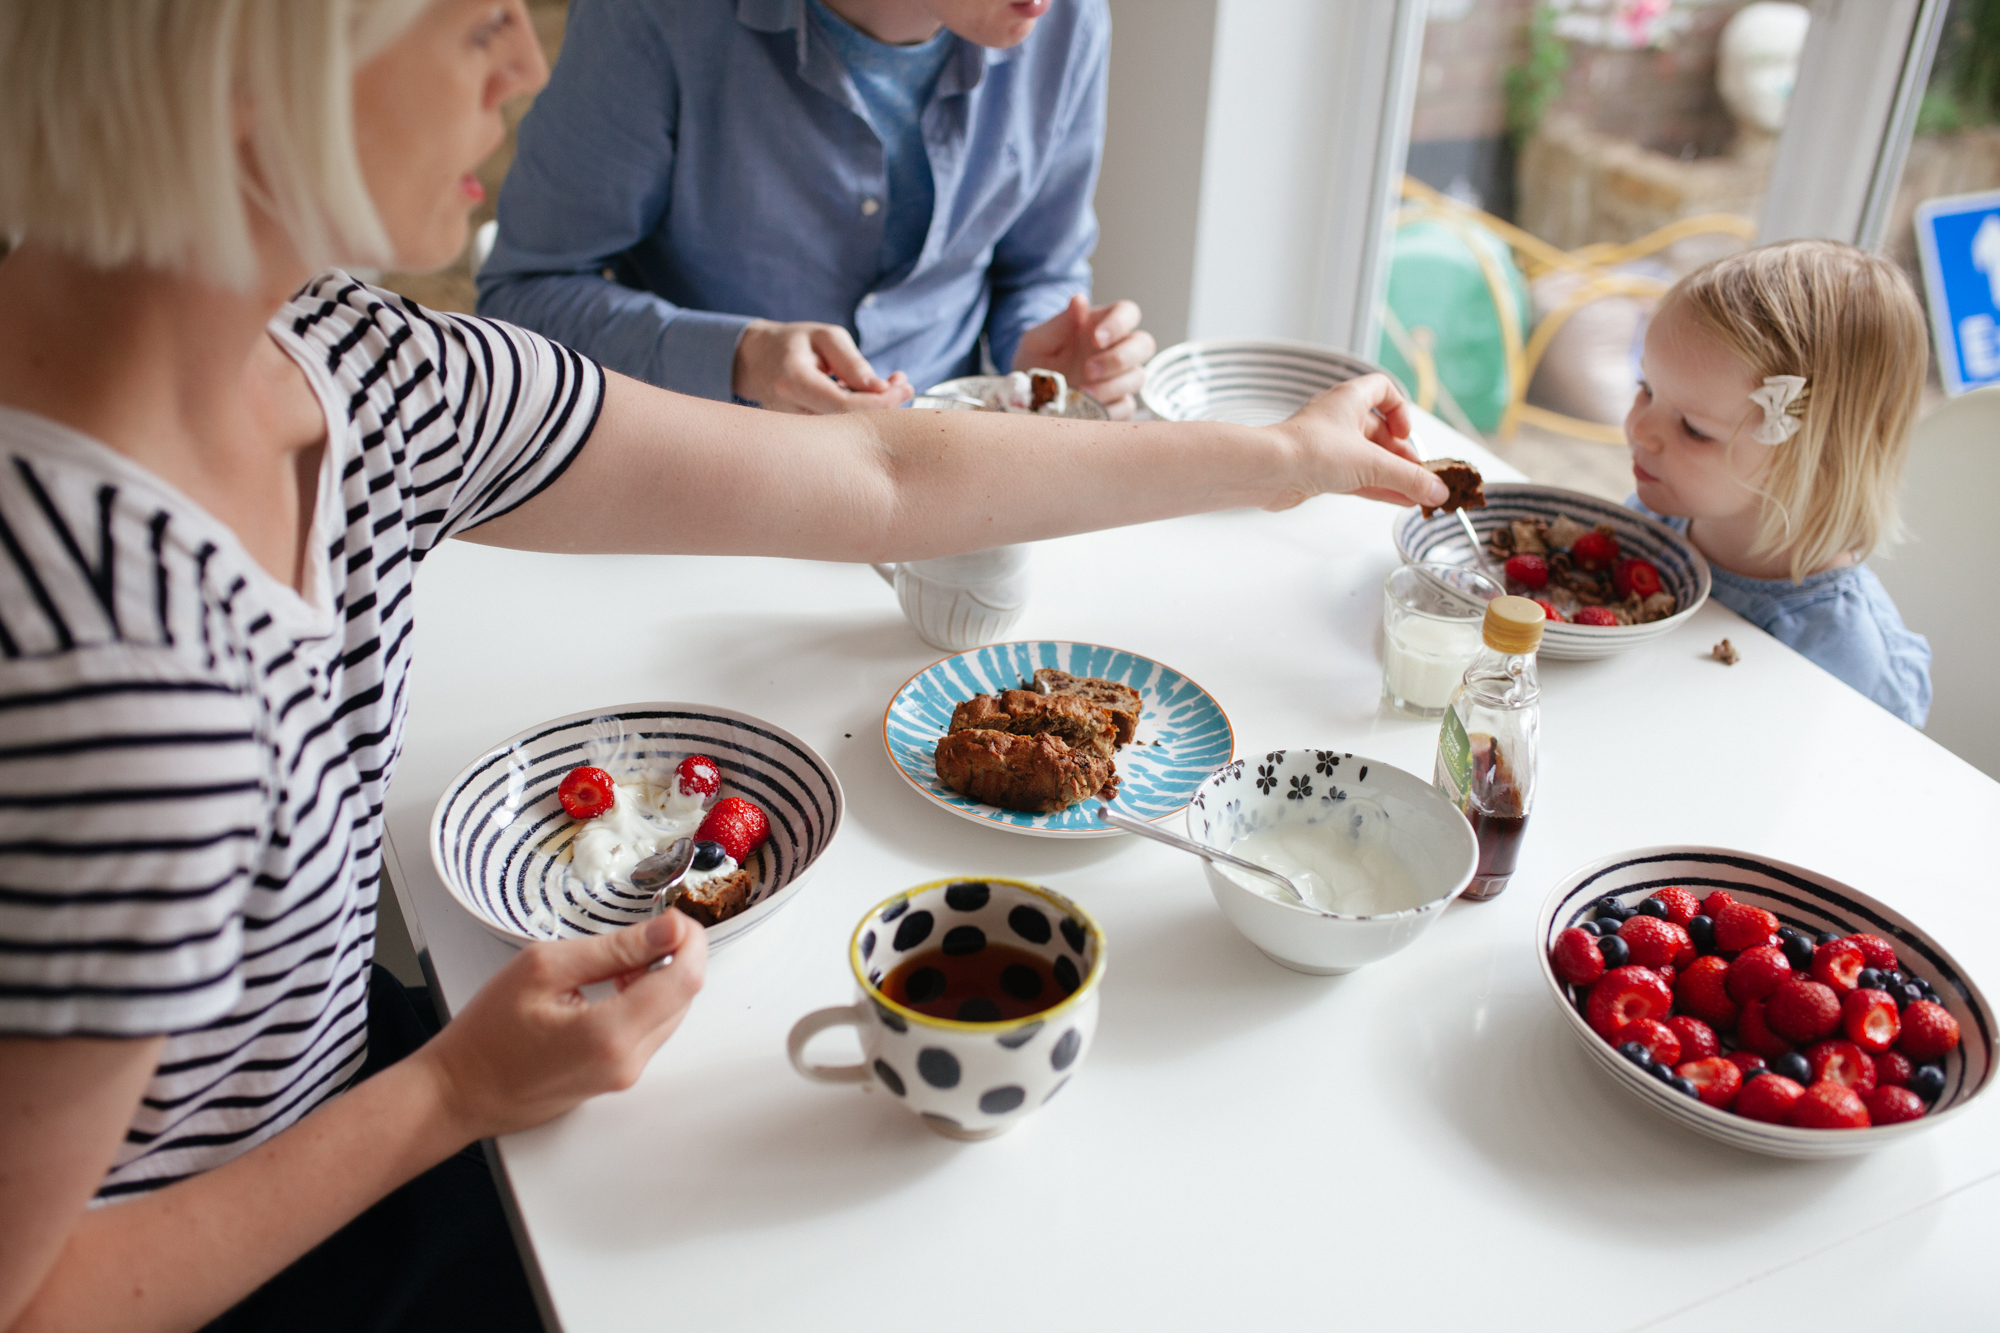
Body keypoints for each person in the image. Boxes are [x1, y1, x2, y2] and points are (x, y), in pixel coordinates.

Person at [0, 2, 1445, 1328]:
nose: (527, 64)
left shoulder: (364, 369)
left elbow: (880, 472)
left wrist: (1279, 458)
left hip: (324, 1096)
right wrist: (453, 1089)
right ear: (253, 66)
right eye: (472, 20)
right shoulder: (122, 664)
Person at [475, 0, 1159, 416]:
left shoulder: (1069, 22)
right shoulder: (656, 19)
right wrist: (738, 356)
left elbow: (1041, 271)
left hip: (948, 484)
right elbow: (521, 298)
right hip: (706, 477)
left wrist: (1045, 367)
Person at [1624, 239, 1932, 725]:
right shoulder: (1652, 522)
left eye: (1694, 429)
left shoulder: (1847, 655)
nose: (1639, 428)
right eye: (1646, 389)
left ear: (1815, 461)